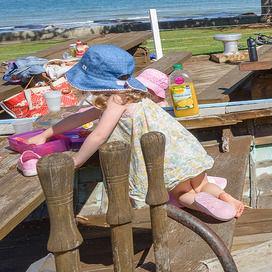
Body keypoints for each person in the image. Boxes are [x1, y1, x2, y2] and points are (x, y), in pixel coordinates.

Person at [27, 46, 244, 220]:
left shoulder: (116, 99)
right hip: (183, 153)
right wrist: (47, 133)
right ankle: (224, 197)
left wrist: (76, 161)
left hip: (165, 159)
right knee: (201, 183)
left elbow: (98, 135)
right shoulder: (134, 93)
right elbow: (80, 118)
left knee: (181, 193)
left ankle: (195, 202)